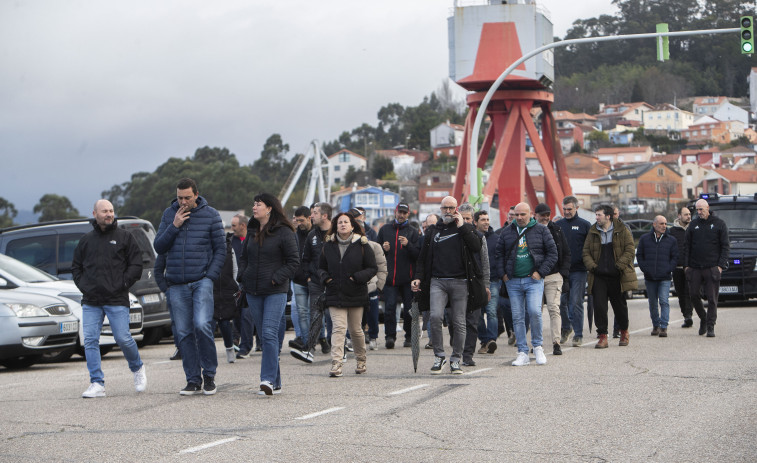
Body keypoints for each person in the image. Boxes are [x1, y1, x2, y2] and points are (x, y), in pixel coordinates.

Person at [154, 178, 225, 396]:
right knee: (183, 332)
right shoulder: (169, 215)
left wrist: (210, 277)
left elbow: (221, 250)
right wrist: (174, 225)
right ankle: (193, 379)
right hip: (176, 284)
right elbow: (159, 246)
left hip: (201, 280)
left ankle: (209, 375)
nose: (183, 202)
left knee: (202, 324)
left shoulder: (211, 215)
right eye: (179, 198)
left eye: (187, 197)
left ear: (196, 195)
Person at [72, 199, 146, 398]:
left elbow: (136, 264)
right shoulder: (86, 241)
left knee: (123, 338)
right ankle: (97, 383)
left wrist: (122, 284)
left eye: (111, 210)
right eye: (104, 211)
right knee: (89, 340)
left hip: (116, 299)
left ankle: (137, 368)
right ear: (95, 213)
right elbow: (76, 268)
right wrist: (85, 287)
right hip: (91, 300)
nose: (109, 214)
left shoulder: (124, 237)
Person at [412, 196, 482, 375]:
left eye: (452, 208)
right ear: (440, 209)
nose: (448, 212)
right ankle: (439, 355)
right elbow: (422, 257)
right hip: (437, 281)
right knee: (435, 317)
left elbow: (476, 246)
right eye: (445, 208)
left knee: (459, 322)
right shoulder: (433, 231)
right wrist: (418, 277)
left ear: (457, 209)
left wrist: (462, 226)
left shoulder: (464, 229)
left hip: (460, 282)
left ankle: (456, 359)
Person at [238, 193, 299, 395]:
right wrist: (243, 276)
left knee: (269, 333)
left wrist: (276, 278)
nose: (254, 207)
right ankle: (276, 380)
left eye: (258, 204)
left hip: (275, 290)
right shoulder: (253, 230)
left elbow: (293, 262)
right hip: (253, 291)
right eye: (253, 204)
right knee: (265, 337)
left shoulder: (284, 232)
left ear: (269, 208)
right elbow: (244, 257)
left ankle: (266, 380)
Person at [496, 202, 557, 366]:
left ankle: (537, 347)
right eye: (517, 215)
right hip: (513, 280)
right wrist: (503, 274)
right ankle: (522, 351)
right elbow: (499, 254)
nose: (519, 218)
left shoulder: (541, 230)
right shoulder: (507, 232)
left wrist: (541, 272)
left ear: (530, 214)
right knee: (517, 316)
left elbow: (552, 253)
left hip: (533, 280)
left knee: (534, 312)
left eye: (523, 214)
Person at [318, 213, 378, 376]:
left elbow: (372, 268)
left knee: (355, 330)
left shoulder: (362, 244)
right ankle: (336, 363)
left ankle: (361, 359)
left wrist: (357, 277)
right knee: (338, 328)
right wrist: (326, 279)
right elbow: (320, 267)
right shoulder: (328, 245)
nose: (343, 224)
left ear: (352, 226)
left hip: (356, 293)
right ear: (335, 226)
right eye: (339, 222)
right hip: (334, 292)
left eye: (346, 222)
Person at [582, 204, 636, 349]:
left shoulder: (622, 230)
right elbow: (586, 252)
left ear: (608, 216)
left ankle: (624, 331)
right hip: (598, 276)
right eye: (596, 215)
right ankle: (602, 336)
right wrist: (593, 267)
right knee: (599, 306)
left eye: (599, 215)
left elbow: (630, 250)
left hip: (617, 275)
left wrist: (619, 266)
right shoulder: (593, 231)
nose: (596, 217)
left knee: (619, 306)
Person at [292, 202, 333, 362]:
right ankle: (309, 349)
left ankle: (340, 348)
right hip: (315, 283)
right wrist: (309, 277)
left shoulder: (336, 233)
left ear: (324, 215)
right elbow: (305, 259)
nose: (312, 215)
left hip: (333, 283)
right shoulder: (312, 235)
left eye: (315, 213)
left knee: (334, 318)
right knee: (315, 316)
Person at [684, 198, 729, 337]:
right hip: (695, 267)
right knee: (694, 295)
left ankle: (710, 326)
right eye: (697, 210)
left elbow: (725, 246)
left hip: (712, 267)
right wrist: (686, 266)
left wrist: (720, 266)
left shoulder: (719, 224)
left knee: (711, 299)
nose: (699, 212)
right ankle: (703, 318)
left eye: (701, 209)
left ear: (707, 208)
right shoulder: (693, 225)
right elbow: (687, 247)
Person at [377, 203, 420, 349]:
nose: (401, 215)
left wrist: (408, 245)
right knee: (389, 308)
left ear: (408, 214)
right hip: (390, 279)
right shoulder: (385, 229)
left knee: (409, 309)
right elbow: (376, 254)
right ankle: (390, 337)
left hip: (408, 278)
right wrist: (385, 250)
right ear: (395, 212)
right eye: (399, 212)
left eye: (404, 213)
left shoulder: (413, 232)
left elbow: (418, 255)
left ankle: (408, 336)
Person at [348, 209, 387, 351]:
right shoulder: (348, 248)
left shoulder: (374, 246)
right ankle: (351, 338)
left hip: (371, 287)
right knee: (353, 316)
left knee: (372, 314)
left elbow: (382, 267)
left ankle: (373, 337)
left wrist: (378, 285)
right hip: (354, 287)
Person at [534, 203, 571, 356]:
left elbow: (566, 252)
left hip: (554, 276)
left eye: (547, 214)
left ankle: (556, 342)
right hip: (535, 277)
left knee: (553, 308)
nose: (545, 217)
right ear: (535, 215)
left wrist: (563, 273)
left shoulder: (557, 230)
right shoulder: (530, 231)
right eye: (542, 214)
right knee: (535, 311)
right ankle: (538, 343)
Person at [556, 196, 591, 347]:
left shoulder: (585, 225)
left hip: (579, 270)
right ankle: (566, 328)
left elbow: (590, 247)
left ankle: (578, 334)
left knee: (576, 302)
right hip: (562, 271)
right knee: (561, 302)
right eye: (564, 209)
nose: (567, 212)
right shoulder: (558, 225)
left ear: (576, 208)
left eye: (569, 209)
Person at [458, 203, 489, 367]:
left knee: (472, 321)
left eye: (467, 218)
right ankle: (458, 351)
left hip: (475, 284)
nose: (464, 221)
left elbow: (485, 263)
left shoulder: (479, 237)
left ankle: (468, 355)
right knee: (456, 321)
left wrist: (486, 285)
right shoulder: (453, 235)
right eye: (461, 218)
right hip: (456, 283)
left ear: (473, 220)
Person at [636, 215, 678, 337]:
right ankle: (656, 325)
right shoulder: (644, 239)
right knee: (653, 303)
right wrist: (645, 269)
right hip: (650, 277)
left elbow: (675, 257)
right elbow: (640, 256)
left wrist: (669, 269)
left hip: (664, 277)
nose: (664, 226)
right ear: (654, 225)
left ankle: (664, 327)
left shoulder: (671, 240)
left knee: (664, 301)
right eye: (661, 224)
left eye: (665, 224)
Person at [474, 209, 501, 356]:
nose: (486, 222)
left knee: (491, 312)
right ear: (476, 222)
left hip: (493, 280)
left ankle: (491, 340)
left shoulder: (496, 238)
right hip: (476, 282)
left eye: (487, 219)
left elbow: (500, 257)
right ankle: (484, 340)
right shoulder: (472, 237)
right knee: (477, 314)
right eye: (482, 219)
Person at [289, 206, 313, 352]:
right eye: (297, 220)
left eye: (302, 220)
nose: (299, 223)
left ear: (309, 218)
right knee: (302, 313)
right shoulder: (294, 235)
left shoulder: (316, 234)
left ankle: (319, 338)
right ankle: (307, 343)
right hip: (298, 280)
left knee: (315, 312)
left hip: (314, 280)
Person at [669, 206, 693, 328]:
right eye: (685, 214)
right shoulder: (672, 231)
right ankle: (686, 315)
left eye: (689, 214)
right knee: (680, 293)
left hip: (691, 267)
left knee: (689, 292)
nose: (688, 216)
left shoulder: (694, 229)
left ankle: (689, 315)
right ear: (679, 216)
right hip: (677, 268)